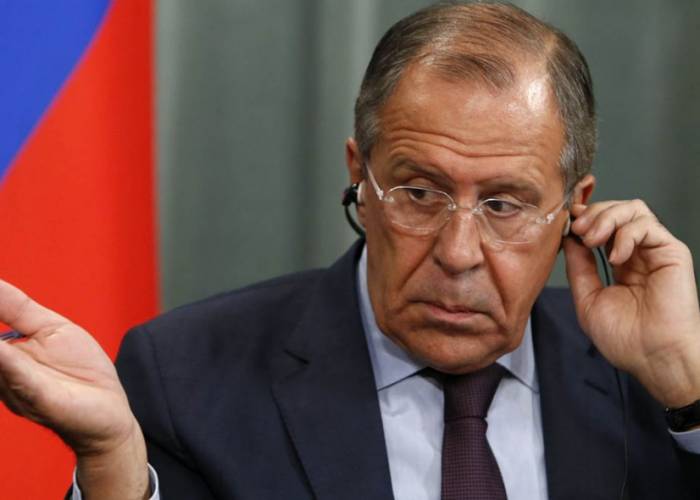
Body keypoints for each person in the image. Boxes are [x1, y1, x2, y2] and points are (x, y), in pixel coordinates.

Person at [1, 3, 699, 499]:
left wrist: (686, 386)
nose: (459, 254)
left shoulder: (649, 380)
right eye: (419, 192)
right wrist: (114, 468)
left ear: (575, 209)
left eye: (503, 205)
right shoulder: (183, 376)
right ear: (360, 179)